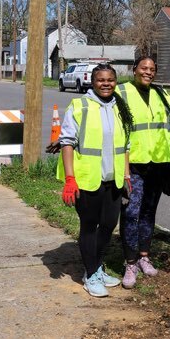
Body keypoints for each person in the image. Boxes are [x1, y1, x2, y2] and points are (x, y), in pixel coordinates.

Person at [56, 64, 134, 298]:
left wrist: (127, 175)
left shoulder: (120, 106)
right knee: (89, 227)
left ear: (115, 81)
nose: (106, 83)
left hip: (114, 180)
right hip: (88, 179)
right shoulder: (80, 106)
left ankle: (96, 266)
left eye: (110, 79)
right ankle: (91, 274)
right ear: (92, 81)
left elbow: (126, 145)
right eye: (101, 80)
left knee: (109, 225)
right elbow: (67, 143)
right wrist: (70, 179)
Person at [115, 56, 170, 289]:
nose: (148, 72)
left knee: (148, 211)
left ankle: (144, 256)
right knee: (131, 212)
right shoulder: (120, 92)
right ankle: (130, 262)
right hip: (133, 164)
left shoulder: (163, 95)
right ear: (134, 69)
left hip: (159, 164)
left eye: (152, 69)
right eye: (144, 68)